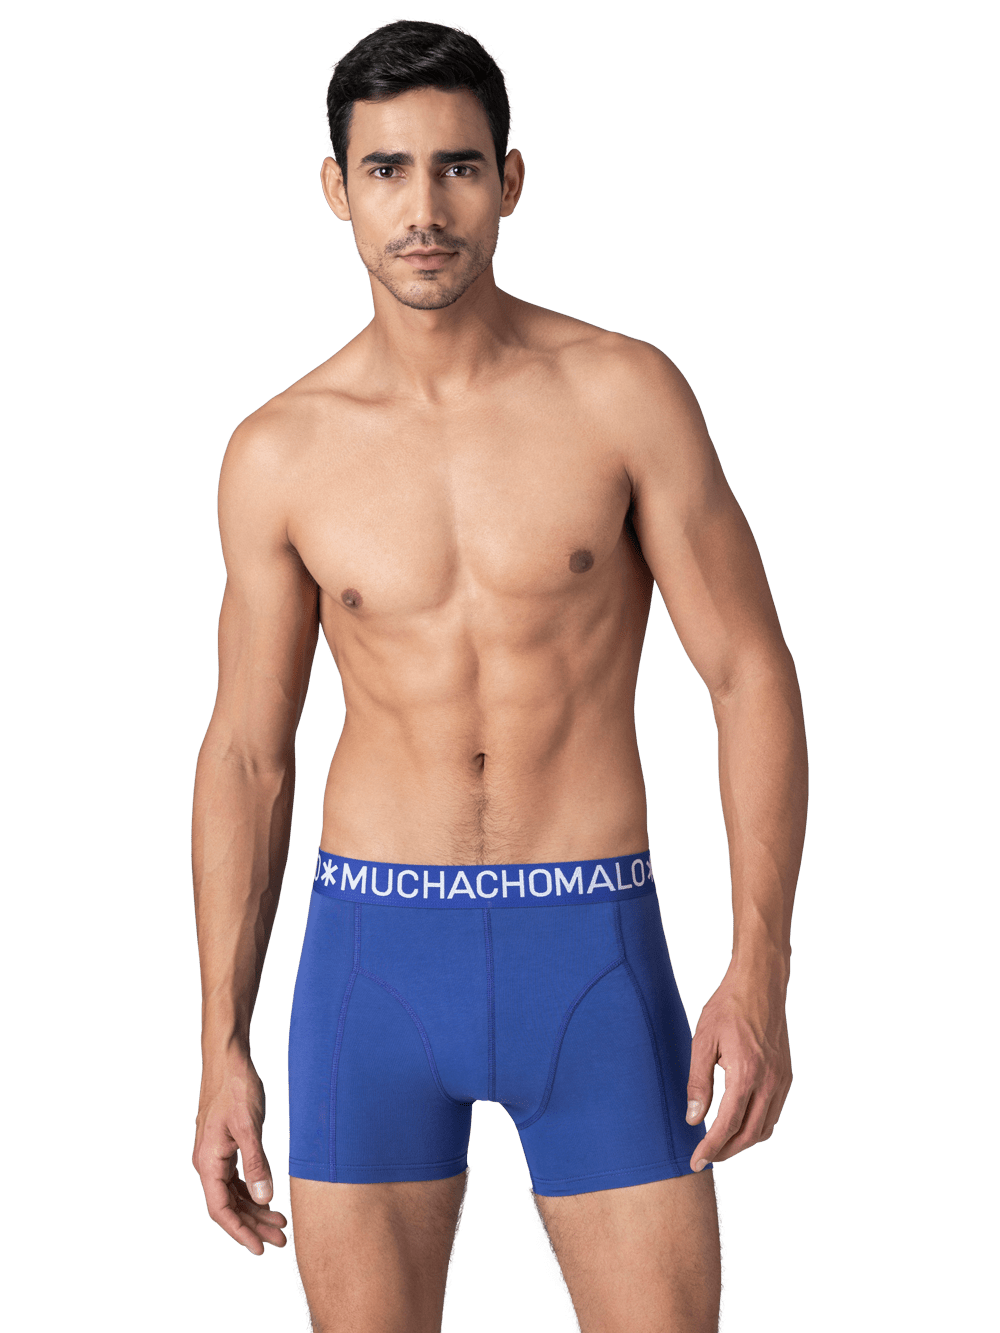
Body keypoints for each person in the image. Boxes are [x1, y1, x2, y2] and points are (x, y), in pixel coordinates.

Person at [191, 17, 807, 1332]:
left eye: (457, 167)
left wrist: (759, 967)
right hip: (371, 958)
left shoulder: (622, 395)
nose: (424, 209)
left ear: (509, 181)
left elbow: (750, 675)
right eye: (388, 170)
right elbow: (248, 752)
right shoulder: (279, 452)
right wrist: (219, 1043)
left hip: (591, 951)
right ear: (337, 189)